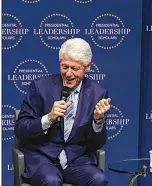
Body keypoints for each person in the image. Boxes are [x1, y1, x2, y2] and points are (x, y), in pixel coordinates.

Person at [15, 38, 110, 186]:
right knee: (51, 181)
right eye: (64, 66)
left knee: (99, 179)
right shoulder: (40, 87)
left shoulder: (98, 93)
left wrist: (98, 120)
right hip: (43, 157)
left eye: (75, 68)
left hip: (77, 159)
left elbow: (98, 143)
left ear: (88, 67)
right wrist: (48, 119)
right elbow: (20, 129)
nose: (68, 73)